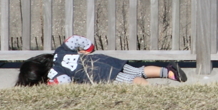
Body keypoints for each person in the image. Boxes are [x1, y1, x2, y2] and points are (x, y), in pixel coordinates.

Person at [16, 35, 188, 86]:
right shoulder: (60, 52)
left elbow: (65, 82)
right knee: (137, 69)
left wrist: (53, 84)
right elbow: (74, 39)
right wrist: (89, 48)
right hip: (103, 60)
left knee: (130, 80)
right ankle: (168, 71)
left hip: (100, 73)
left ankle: (150, 90)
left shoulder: (55, 73)